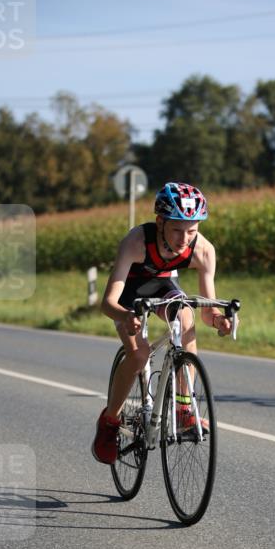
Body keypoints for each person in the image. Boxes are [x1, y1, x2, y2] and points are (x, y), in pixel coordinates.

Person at [92, 182, 232, 465]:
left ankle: (183, 408)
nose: (185, 238)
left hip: (162, 286)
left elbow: (208, 310)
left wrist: (218, 319)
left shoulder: (203, 250)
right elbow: (108, 303)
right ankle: (109, 421)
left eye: (192, 231)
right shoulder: (136, 242)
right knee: (140, 353)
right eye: (177, 230)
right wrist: (126, 317)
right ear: (160, 222)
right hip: (129, 295)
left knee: (185, 314)